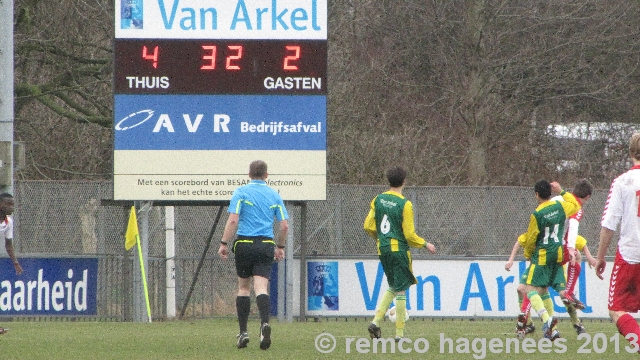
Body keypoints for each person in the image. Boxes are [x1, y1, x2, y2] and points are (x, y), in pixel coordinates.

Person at [217, 161, 289, 350]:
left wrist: (224, 243)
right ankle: (264, 323)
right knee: (261, 287)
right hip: (266, 244)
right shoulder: (274, 194)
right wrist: (280, 246)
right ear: (266, 175)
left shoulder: (241, 192)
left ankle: (243, 333)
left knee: (243, 288)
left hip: (245, 243)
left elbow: (233, 219)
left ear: (248, 174)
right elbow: (284, 225)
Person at [363, 166, 436, 341]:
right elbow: (409, 235)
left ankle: (375, 323)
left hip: (383, 249)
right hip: (399, 250)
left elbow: (367, 226)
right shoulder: (405, 204)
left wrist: (381, 238)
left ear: (388, 181)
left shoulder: (378, 199)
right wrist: (425, 244)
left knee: (393, 286)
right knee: (402, 290)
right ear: (404, 181)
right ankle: (399, 335)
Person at [519, 180, 581, 340]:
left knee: (530, 290)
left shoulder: (537, 214)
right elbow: (576, 205)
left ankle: (548, 320)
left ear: (537, 195)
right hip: (558, 255)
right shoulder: (560, 207)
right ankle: (553, 330)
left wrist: (527, 253)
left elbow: (532, 237)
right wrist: (562, 191)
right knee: (544, 290)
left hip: (542, 256)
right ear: (550, 193)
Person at [596, 132, 640, 349]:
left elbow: (608, 224)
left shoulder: (622, 182)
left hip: (631, 254)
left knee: (616, 309)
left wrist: (600, 257)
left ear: (631, 152)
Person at [506, 234, 596, 337]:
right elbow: (520, 241)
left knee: (563, 296)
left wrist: (589, 257)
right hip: (537, 267)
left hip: (556, 269)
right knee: (522, 289)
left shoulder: (561, 233)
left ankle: (576, 324)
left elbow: (580, 245)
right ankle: (531, 323)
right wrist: (511, 260)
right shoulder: (536, 231)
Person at [0, 193, 23, 334]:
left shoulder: (8, 222)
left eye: (12, 204)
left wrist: (15, 262)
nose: (11, 207)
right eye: (8, 204)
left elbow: (8, 244)